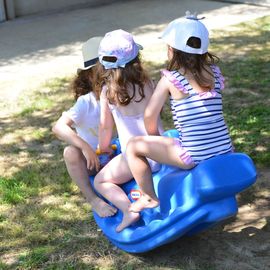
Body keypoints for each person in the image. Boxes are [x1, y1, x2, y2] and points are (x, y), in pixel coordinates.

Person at [126, 11, 233, 213]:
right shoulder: (215, 73)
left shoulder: (172, 78)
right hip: (226, 149)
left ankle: (149, 198)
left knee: (133, 146)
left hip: (195, 155)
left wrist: (154, 139)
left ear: (172, 51)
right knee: (176, 138)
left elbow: (150, 115)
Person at [93, 29, 163, 232]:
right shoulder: (148, 83)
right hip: (160, 152)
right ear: (136, 58)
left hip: (136, 159)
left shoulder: (108, 92)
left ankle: (128, 210)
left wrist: (104, 148)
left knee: (100, 181)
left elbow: (105, 126)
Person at [52, 37, 117, 217]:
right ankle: (93, 199)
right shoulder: (86, 102)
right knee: (70, 153)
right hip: (94, 162)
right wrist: (85, 147)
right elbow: (58, 127)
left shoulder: (120, 94)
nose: (109, 74)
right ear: (90, 75)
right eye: (104, 70)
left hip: (118, 155)